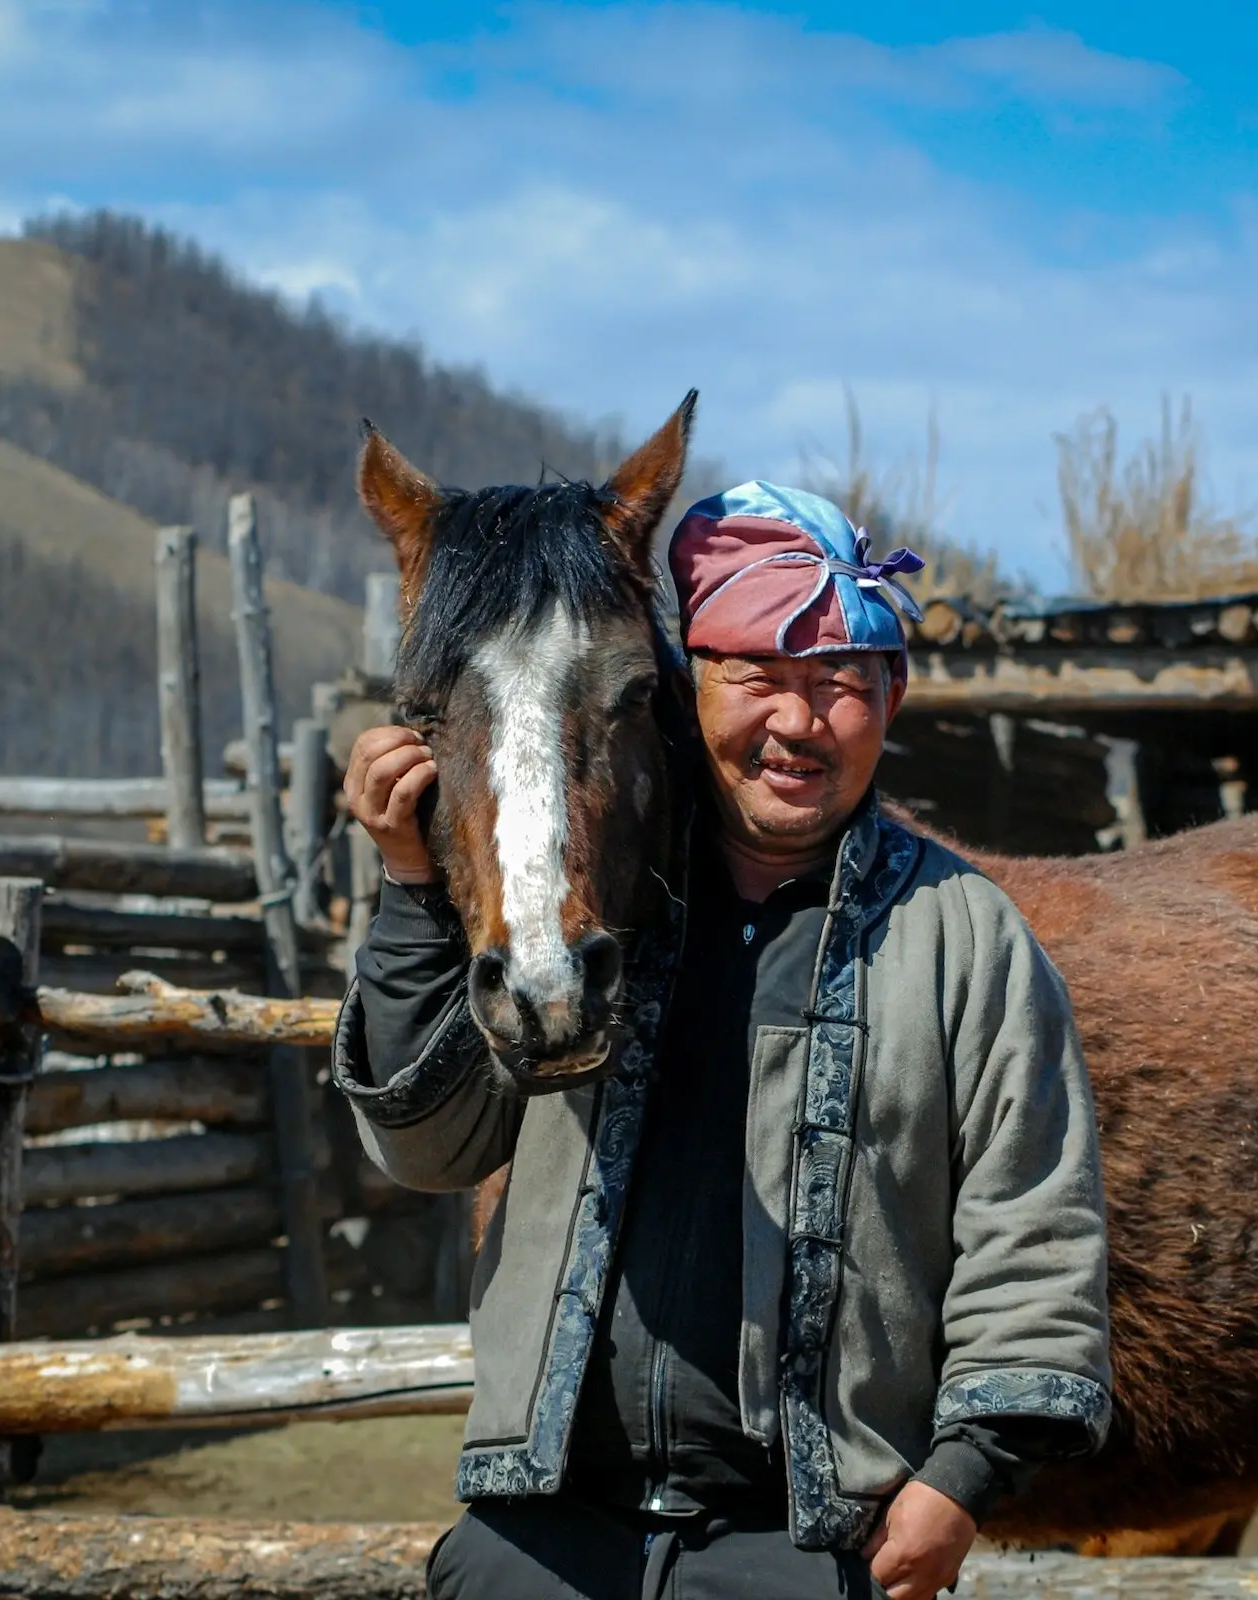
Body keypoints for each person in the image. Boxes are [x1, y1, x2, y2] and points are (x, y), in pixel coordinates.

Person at [335, 482, 1110, 1599]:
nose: (796, 723)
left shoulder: (964, 938)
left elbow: (1034, 1226)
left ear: (890, 701)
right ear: (689, 691)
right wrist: (415, 892)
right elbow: (424, 1149)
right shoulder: (586, 919)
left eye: (839, 682)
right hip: (549, 1532)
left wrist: (960, 1475)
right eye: (757, 678)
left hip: (797, 1546)